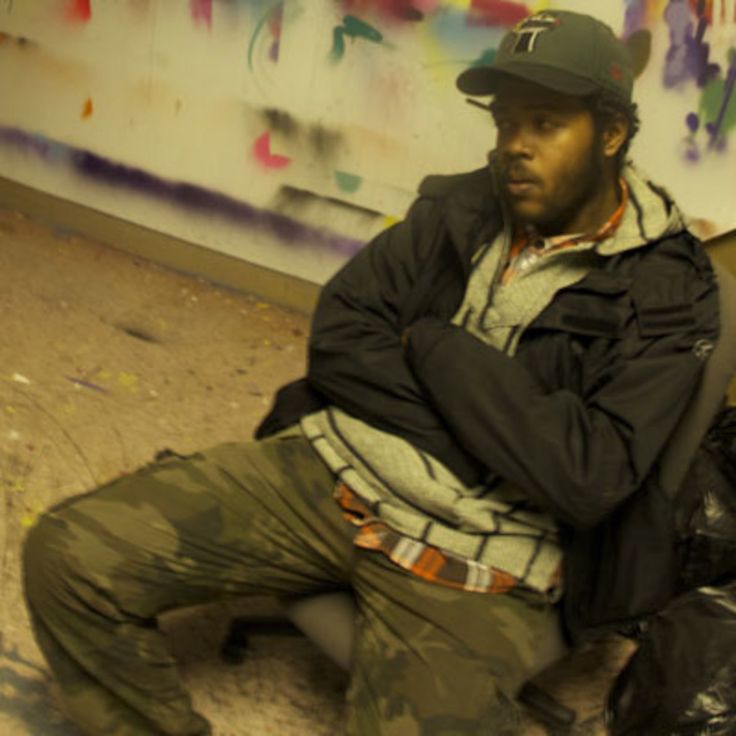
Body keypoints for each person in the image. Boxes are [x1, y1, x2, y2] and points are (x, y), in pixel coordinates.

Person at [23, 9, 719, 736]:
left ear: (610, 133)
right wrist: (489, 440)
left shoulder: (670, 292)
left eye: (544, 124)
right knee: (70, 557)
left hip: (483, 554)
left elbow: (586, 476)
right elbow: (342, 335)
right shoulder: (461, 204)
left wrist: (434, 347)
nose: (515, 146)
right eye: (506, 121)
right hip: (338, 469)